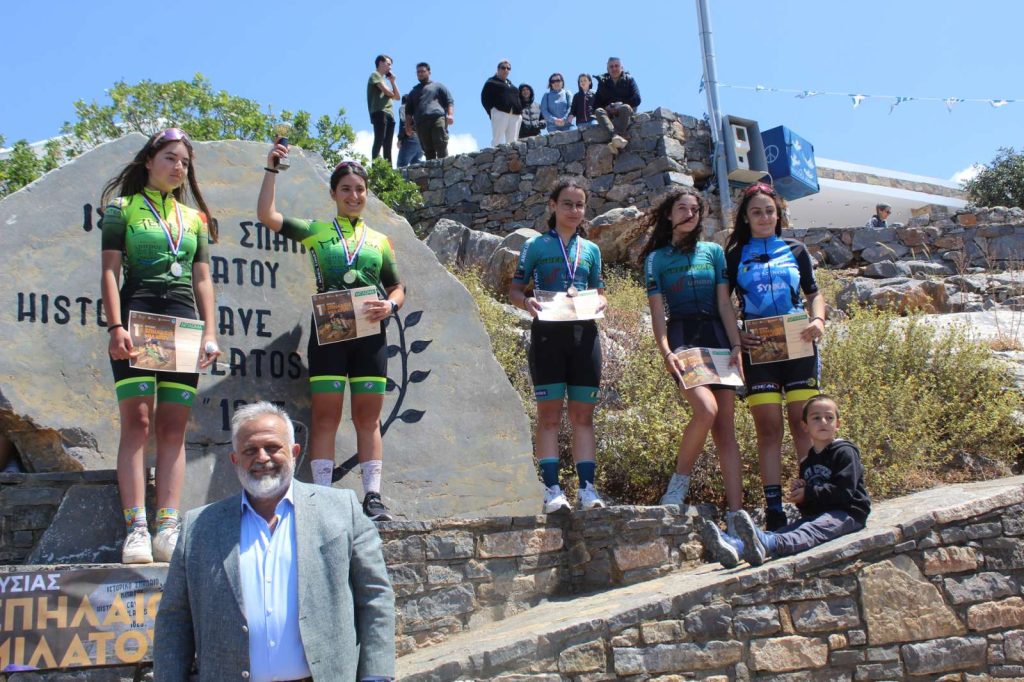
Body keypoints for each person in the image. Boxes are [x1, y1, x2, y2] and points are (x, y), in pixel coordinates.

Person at [154, 401, 395, 681]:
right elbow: (174, 619)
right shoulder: (199, 527)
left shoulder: (342, 509)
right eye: (249, 450)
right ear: (234, 460)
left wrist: (376, 676)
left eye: (272, 447)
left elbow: (376, 597)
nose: (262, 458)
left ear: (294, 452)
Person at [258, 152, 405, 521]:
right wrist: (271, 169)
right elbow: (268, 216)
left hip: (370, 334)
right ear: (333, 194)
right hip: (329, 331)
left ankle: (373, 497)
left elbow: (397, 287)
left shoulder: (379, 240)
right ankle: (321, 495)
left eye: (359, 189)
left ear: (367, 193)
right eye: (346, 189)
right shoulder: (317, 231)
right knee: (326, 417)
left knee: (367, 418)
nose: (353, 196)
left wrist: (390, 305)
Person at [99, 128, 220, 564]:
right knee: (138, 421)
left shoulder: (194, 219)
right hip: (138, 315)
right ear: (149, 161)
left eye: (184, 162)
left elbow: (202, 279)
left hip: (182, 322)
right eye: (170, 158)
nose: (178, 167)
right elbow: (110, 272)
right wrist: (115, 326)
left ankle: (167, 526)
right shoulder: (122, 209)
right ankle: (136, 528)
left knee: (173, 427)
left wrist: (210, 332)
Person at [641, 189, 744, 529]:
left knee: (725, 430)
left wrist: (736, 345)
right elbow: (658, 313)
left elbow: (725, 304)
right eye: (682, 208)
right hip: (683, 337)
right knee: (706, 410)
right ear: (668, 214)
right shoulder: (656, 259)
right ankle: (678, 484)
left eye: (695, 209)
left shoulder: (713, 252)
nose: (689, 214)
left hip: (717, 337)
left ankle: (737, 514)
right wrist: (666, 351)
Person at [725, 182, 826, 530]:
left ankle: (811, 500)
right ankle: (774, 510)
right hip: (759, 349)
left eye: (770, 211)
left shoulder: (796, 249)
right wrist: (735, 334)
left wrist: (818, 320)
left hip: (799, 346)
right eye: (756, 212)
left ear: (778, 214)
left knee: (803, 425)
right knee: (768, 430)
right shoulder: (735, 255)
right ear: (745, 217)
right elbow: (723, 302)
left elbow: (814, 293)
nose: (764, 217)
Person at [509, 178, 608, 513]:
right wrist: (526, 303)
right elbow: (515, 290)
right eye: (567, 203)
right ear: (553, 206)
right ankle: (551, 489)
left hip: (584, 336)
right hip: (547, 336)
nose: (574, 210)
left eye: (580, 205)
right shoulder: (535, 246)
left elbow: (599, 292)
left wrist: (602, 302)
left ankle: (587, 489)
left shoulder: (591, 250)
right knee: (549, 416)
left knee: (583, 417)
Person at [700, 394, 870, 567]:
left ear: (838, 424)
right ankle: (738, 548)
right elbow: (809, 508)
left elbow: (845, 492)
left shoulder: (844, 452)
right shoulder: (807, 461)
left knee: (809, 531)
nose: (823, 422)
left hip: (848, 513)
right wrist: (801, 498)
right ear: (805, 426)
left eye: (829, 417)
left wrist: (808, 492)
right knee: (790, 529)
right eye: (816, 418)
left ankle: (770, 543)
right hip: (819, 515)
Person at [406, 62, 455, 160]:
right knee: (427, 149)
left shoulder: (438, 86)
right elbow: (408, 112)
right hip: (420, 123)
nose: (420, 74)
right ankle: (431, 169)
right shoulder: (413, 92)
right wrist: (408, 126)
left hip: (437, 118)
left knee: (441, 144)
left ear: (429, 72)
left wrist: (450, 115)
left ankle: (444, 167)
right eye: (418, 72)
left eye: (423, 71)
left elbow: (449, 101)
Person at [593, 57, 641, 152]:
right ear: (607, 69)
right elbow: (596, 104)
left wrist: (621, 105)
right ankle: (616, 137)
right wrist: (607, 108)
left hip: (624, 112)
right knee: (598, 111)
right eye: (611, 66)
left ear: (622, 68)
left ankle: (616, 137)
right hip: (610, 113)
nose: (614, 68)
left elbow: (637, 99)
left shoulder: (629, 79)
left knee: (625, 107)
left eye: (616, 66)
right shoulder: (603, 82)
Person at [367, 54, 401, 165]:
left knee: (388, 144)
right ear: (380, 63)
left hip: (389, 114)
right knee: (379, 139)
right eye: (388, 64)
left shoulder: (384, 81)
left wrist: (392, 81)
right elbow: (387, 92)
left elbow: (397, 97)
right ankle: (375, 166)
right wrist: (391, 93)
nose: (390, 67)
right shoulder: (375, 75)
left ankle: (388, 169)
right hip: (379, 112)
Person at [481, 60, 522, 146]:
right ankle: (496, 154)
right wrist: (492, 111)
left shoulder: (511, 85)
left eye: (508, 68)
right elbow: (485, 98)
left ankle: (512, 154)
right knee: (498, 139)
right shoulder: (491, 82)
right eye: (503, 68)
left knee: (513, 141)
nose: (506, 70)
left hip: (515, 114)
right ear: (498, 69)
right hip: (500, 113)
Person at [396, 95, 424, 167]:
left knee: (401, 165)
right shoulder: (418, 109)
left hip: (411, 137)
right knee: (416, 166)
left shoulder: (403, 107)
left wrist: (400, 139)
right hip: (421, 139)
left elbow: (403, 122)